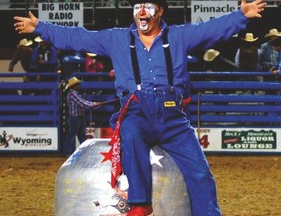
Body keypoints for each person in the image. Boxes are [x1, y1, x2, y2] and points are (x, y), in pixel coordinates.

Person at [14, 0, 266, 215]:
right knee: (131, 133)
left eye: (147, 6)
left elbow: (211, 30)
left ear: (160, 11)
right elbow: (77, 37)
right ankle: (139, 203)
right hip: (134, 111)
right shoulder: (117, 38)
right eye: (137, 7)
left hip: (172, 116)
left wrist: (240, 16)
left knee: (200, 172)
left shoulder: (178, 36)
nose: (142, 13)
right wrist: (40, 27)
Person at [63, 76, 101, 155]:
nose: (80, 85)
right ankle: (68, 152)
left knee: (80, 135)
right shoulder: (72, 94)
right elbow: (82, 103)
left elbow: (83, 103)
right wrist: (94, 104)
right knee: (73, 135)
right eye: (78, 84)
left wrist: (94, 104)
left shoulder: (74, 93)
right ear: (75, 86)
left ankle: (83, 151)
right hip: (75, 117)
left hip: (77, 117)